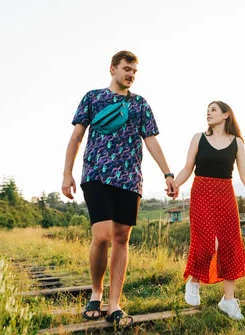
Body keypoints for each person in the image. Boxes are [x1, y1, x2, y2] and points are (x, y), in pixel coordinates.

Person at [61, 50, 178, 326]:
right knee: (101, 236)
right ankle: (96, 293)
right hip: (96, 174)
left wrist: (168, 174)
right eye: (127, 69)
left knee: (121, 239)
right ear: (112, 69)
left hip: (129, 178)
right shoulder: (93, 98)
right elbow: (77, 137)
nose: (131, 75)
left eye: (135, 71)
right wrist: (67, 174)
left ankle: (114, 303)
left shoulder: (140, 104)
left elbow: (151, 140)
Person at [174, 101, 245, 320]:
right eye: (207, 110)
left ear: (226, 115)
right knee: (208, 242)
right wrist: (176, 185)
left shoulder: (237, 143)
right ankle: (194, 281)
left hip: (225, 194)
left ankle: (228, 300)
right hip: (202, 192)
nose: (208, 113)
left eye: (213, 110)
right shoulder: (198, 138)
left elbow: (244, 174)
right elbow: (188, 167)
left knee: (229, 245)